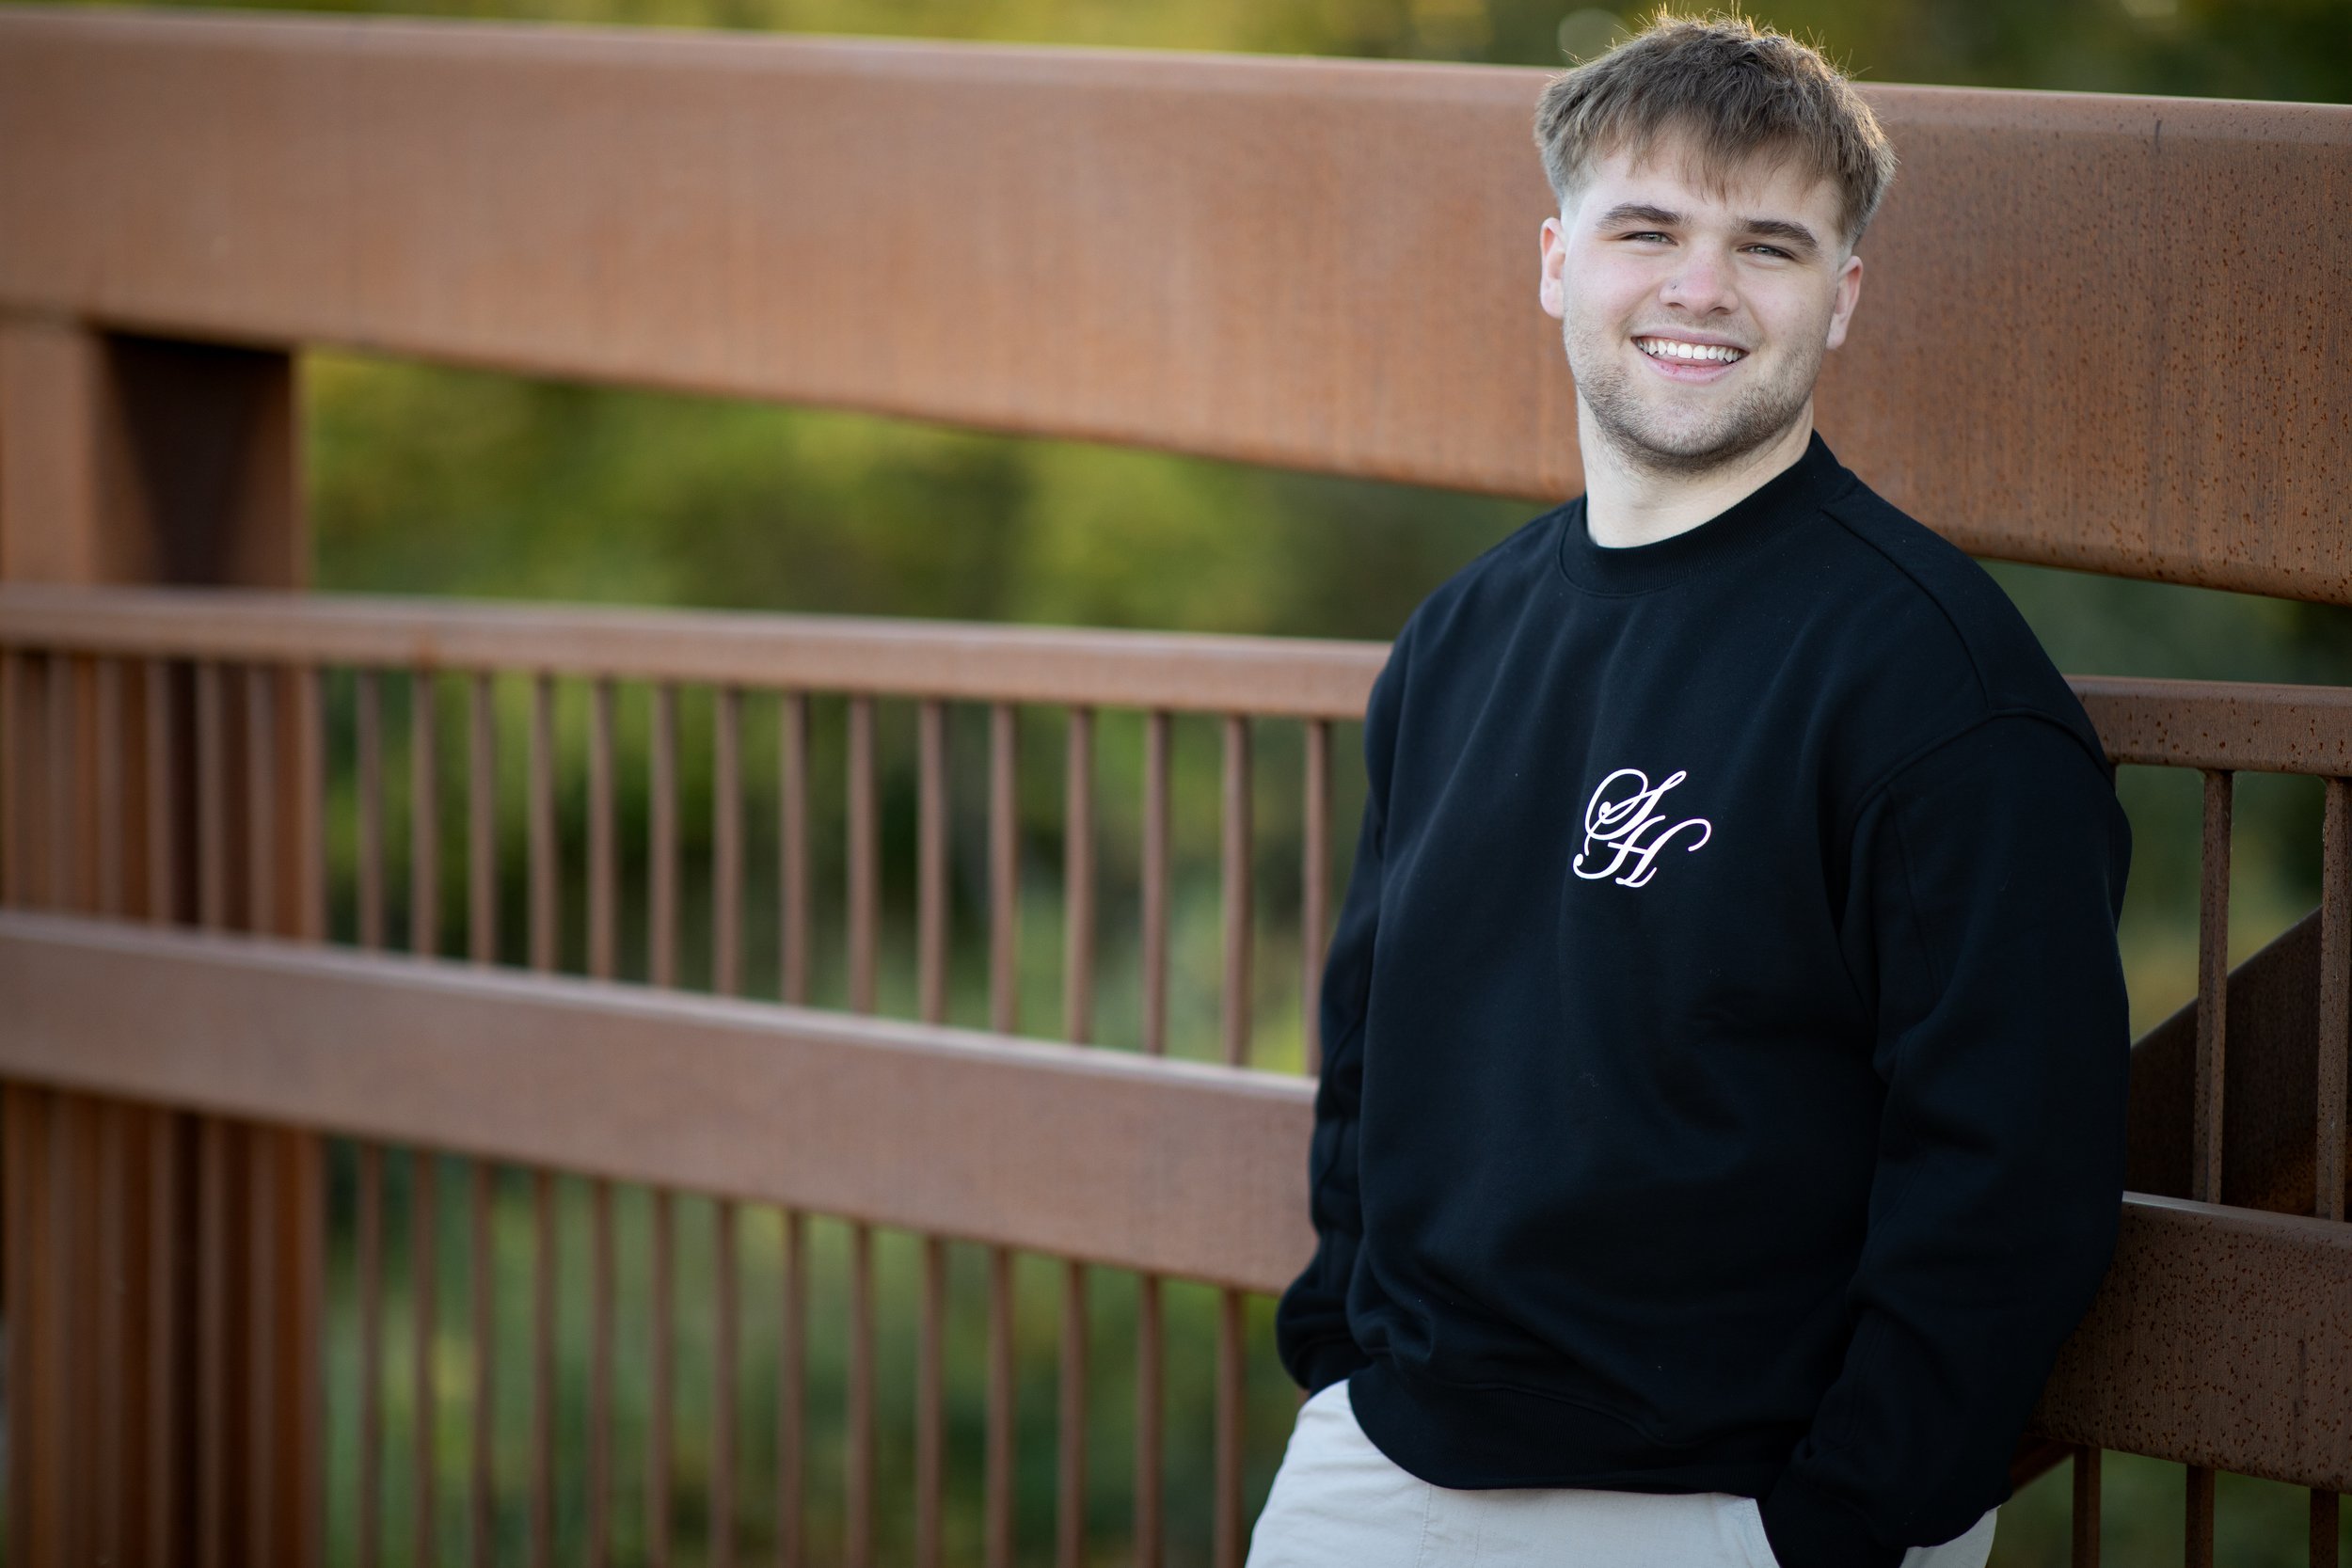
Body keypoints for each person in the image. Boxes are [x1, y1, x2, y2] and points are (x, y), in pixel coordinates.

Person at [1248, 11, 2134, 1568]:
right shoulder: (1458, 638)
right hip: (1388, 1466)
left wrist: (1835, 1521)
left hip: (1731, 1507)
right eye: (1646, 230)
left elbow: (2013, 1170)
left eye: (1768, 246)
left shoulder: (1937, 686)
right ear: (1556, 261)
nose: (1701, 288)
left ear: (1842, 296)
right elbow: (1371, 1044)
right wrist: (1340, 1358)